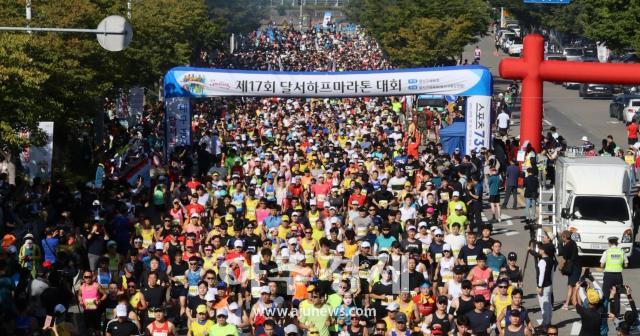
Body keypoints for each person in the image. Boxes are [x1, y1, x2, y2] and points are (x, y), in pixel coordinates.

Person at [600, 236, 628, 317]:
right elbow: (626, 264)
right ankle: (616, 314)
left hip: (608, 275)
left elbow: (601, 265)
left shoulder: (607, 252)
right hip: (618, 276)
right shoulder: (621, 252)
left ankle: (604, 314)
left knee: (605, 295)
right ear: (616, 243)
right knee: (617, 295)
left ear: (609, 243)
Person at [559, 230, 581, 311]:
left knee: (572, 287)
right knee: (574, 286)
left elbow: (564, 259)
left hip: (573, 268)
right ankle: (576, 304)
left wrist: (560, 268)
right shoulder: (573, 243)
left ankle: (570, 305)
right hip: (577, 267)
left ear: (565, 237)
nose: (561, 238)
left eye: (562, 237)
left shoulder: (567, 246)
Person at [536, 243, 554, 331]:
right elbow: (551, 274)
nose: (539, 250)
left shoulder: (542, 261)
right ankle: (548, 322)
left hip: (543, 286)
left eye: (540, 249)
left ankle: (545, 325)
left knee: (544, 305)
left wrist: (539, 286)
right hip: (549, 285)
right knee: (549, 305)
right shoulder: (551, 260)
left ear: (543, 251)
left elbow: (541, 274)